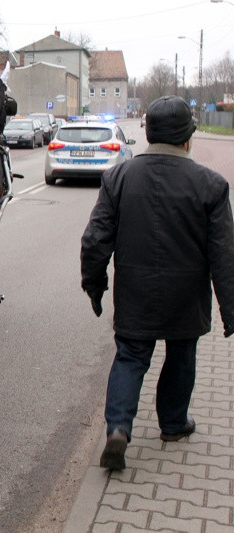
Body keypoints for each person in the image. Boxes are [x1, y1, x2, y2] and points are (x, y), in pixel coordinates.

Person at [81, 95, 234, 471]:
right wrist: (229, 310)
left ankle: (118, 429)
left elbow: (95, 239)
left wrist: (95, 284)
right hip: (187, 295)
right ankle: (173, 423)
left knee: (131, 358)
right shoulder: (211, 185)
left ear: (148, 133)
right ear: (187, 139)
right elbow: (224, 255)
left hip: (135, 292)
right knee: (182, 356)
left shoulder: (118, 177)